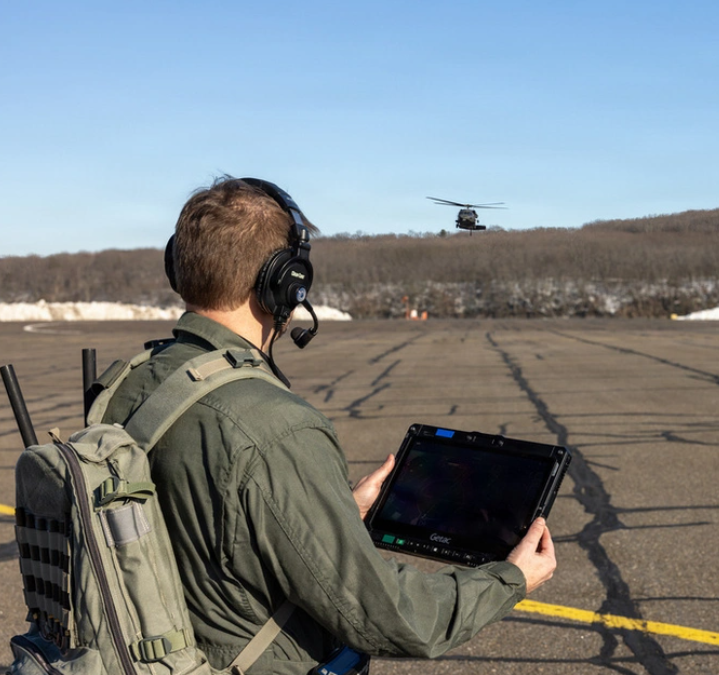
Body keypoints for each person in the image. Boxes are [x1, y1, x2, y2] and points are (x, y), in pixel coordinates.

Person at [101, 176, 556, 675]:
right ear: (286, 281)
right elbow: (386, 616)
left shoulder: (130, 383)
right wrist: (510, 579)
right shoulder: (274, 425)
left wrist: (327, 508)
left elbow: (209, 527)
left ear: (178, 265)